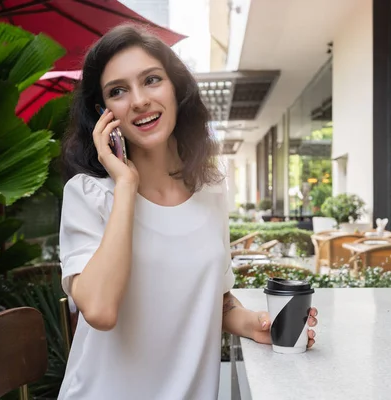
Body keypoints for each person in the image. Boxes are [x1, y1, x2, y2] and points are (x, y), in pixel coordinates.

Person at [57, 25, 318, 399]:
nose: (139, 100)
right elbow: (99, 310)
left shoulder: (210, 189)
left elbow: (217, 300)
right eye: (118, 91)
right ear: (104, 114)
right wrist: (126, 186)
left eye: (151, 80)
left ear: (176, 89)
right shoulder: (89, 195)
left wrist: (257, 324)